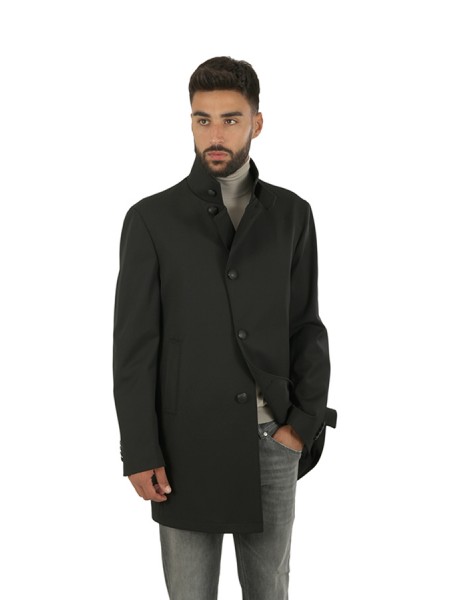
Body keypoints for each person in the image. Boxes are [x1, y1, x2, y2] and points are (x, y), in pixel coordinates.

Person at [113, 56, 337, 600]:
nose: (215, 135)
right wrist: (140, 449)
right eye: (203, 119)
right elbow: (135, 349)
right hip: (182, 449)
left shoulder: (292, 215)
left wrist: (300, 427)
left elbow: (306, 326)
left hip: (271, 441)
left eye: (230, 120)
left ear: (256, 123)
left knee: (270, 591)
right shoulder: (151, 220)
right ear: (190, 122)